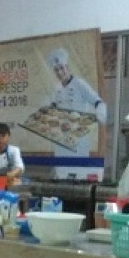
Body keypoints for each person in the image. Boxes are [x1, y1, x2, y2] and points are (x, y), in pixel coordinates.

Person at [43, 47, 107, 178]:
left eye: (62, 68)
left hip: (78, 136)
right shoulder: (57, 88)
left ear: (67, 67)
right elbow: (52, 108)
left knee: (79, 174)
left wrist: (98, 118)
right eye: (56, 70)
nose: (60, 72)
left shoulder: (80, 84)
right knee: (62, 172)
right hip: (61, 137)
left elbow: (98, 102)